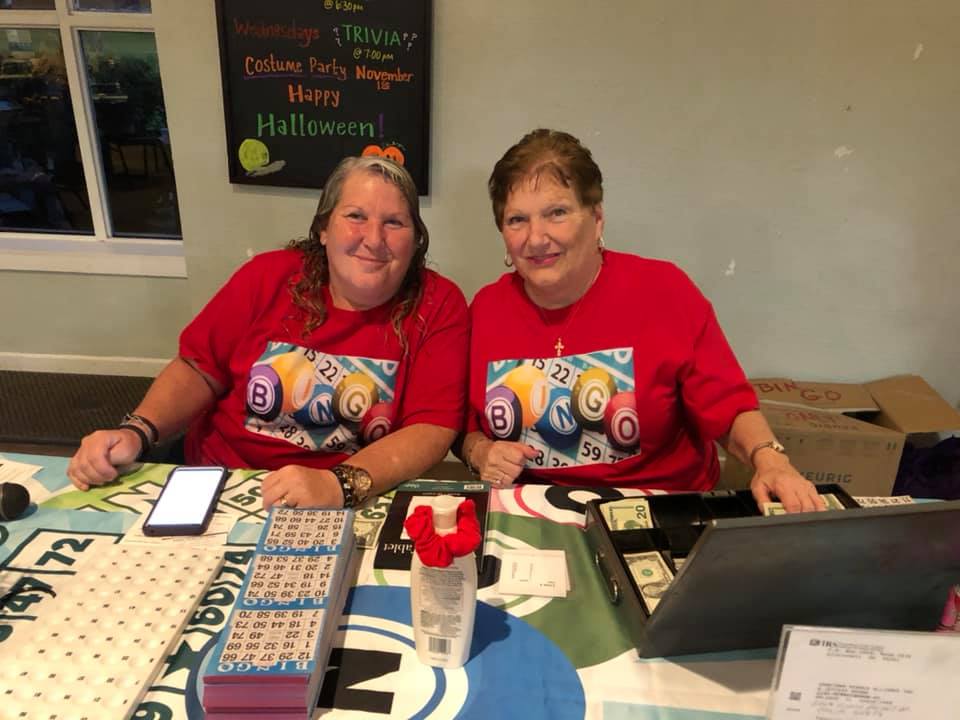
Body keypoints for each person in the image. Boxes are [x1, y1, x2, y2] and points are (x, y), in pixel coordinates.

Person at [67, 156, 469, 509]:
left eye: (394, 222)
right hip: (221, 479)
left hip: (347, 495)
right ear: (324, 229)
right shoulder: (268, 275)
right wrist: (136, 431)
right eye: (356, 216)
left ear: (415, 241)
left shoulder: (438, 303)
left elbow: (431, 426)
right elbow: (199, 367)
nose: (374, 238)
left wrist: (339, 484)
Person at [460, 129, 822, 513]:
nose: (536, 238)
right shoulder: (486, 309)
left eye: (557, 213)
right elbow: (464, 427)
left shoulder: (665, 291)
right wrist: (481, 451)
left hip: (664, 510)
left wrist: (772, 461)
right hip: (535, 512)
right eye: (517, 220)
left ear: (596, 218)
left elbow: (728, 407)